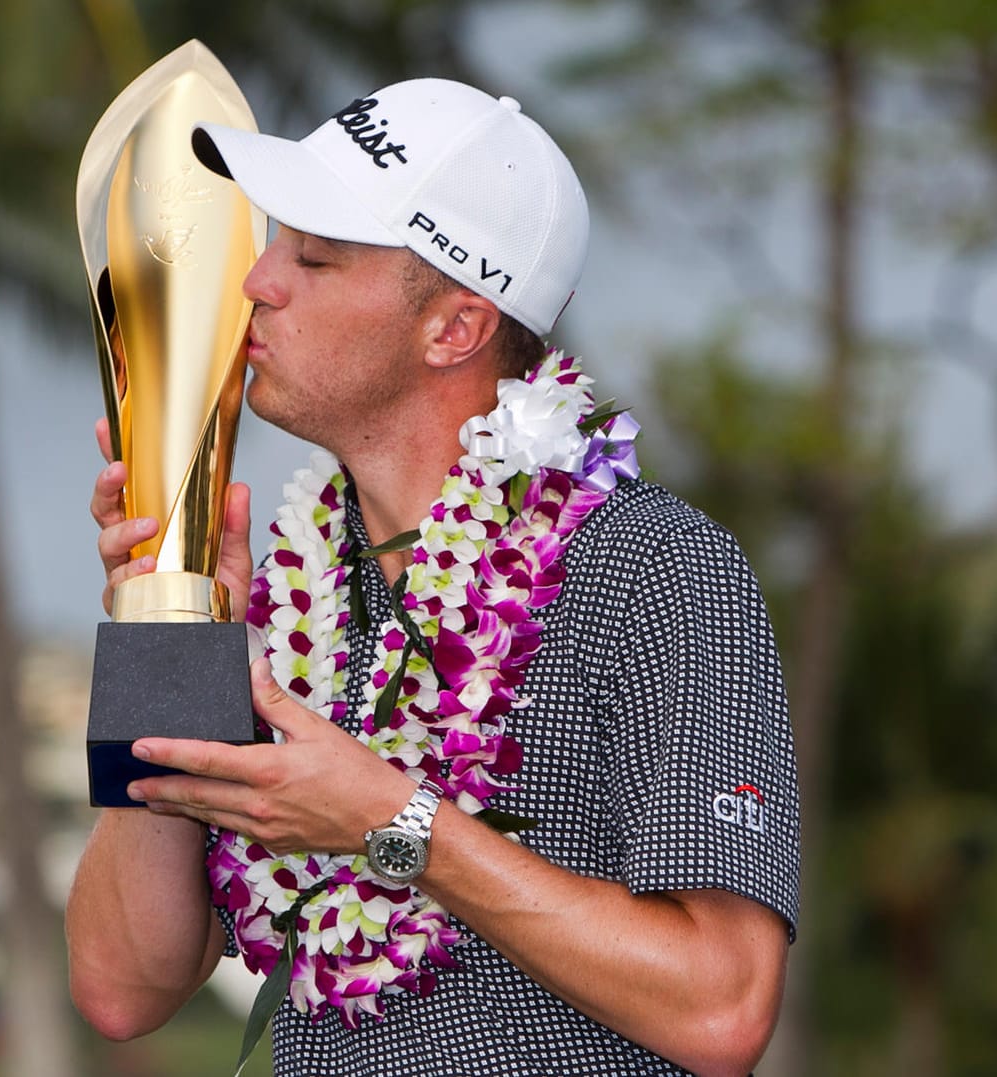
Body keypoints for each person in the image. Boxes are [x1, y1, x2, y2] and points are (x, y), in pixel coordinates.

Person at [66, 77, 799, 1077]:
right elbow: (122, 985)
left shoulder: (652, 565)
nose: (255, 282)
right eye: (272, 243)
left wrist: (390, 823)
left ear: (451, 328)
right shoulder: (287, 595)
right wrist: (171, 615)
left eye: (313, 259)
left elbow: (722, 1007)